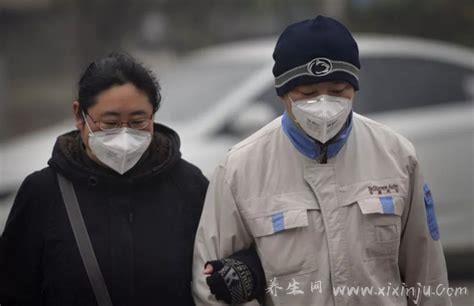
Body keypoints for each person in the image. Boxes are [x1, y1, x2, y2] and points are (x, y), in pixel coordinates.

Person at [192, 16, 452, 305]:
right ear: (282, 95)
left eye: (339, 92)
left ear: (354, 88)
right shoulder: (239, 170)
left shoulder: (397, 155)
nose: (324, 105)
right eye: (307, 94)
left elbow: (428, 277)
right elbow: (211, 286)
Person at [0, 52, 210, 305]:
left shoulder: (188, 185)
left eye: (138, 121)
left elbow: (221, 265)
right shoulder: (43, 193)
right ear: (80, 116)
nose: (124, 135)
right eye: (110, 123)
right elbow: (14, 290)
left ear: (153, 116)